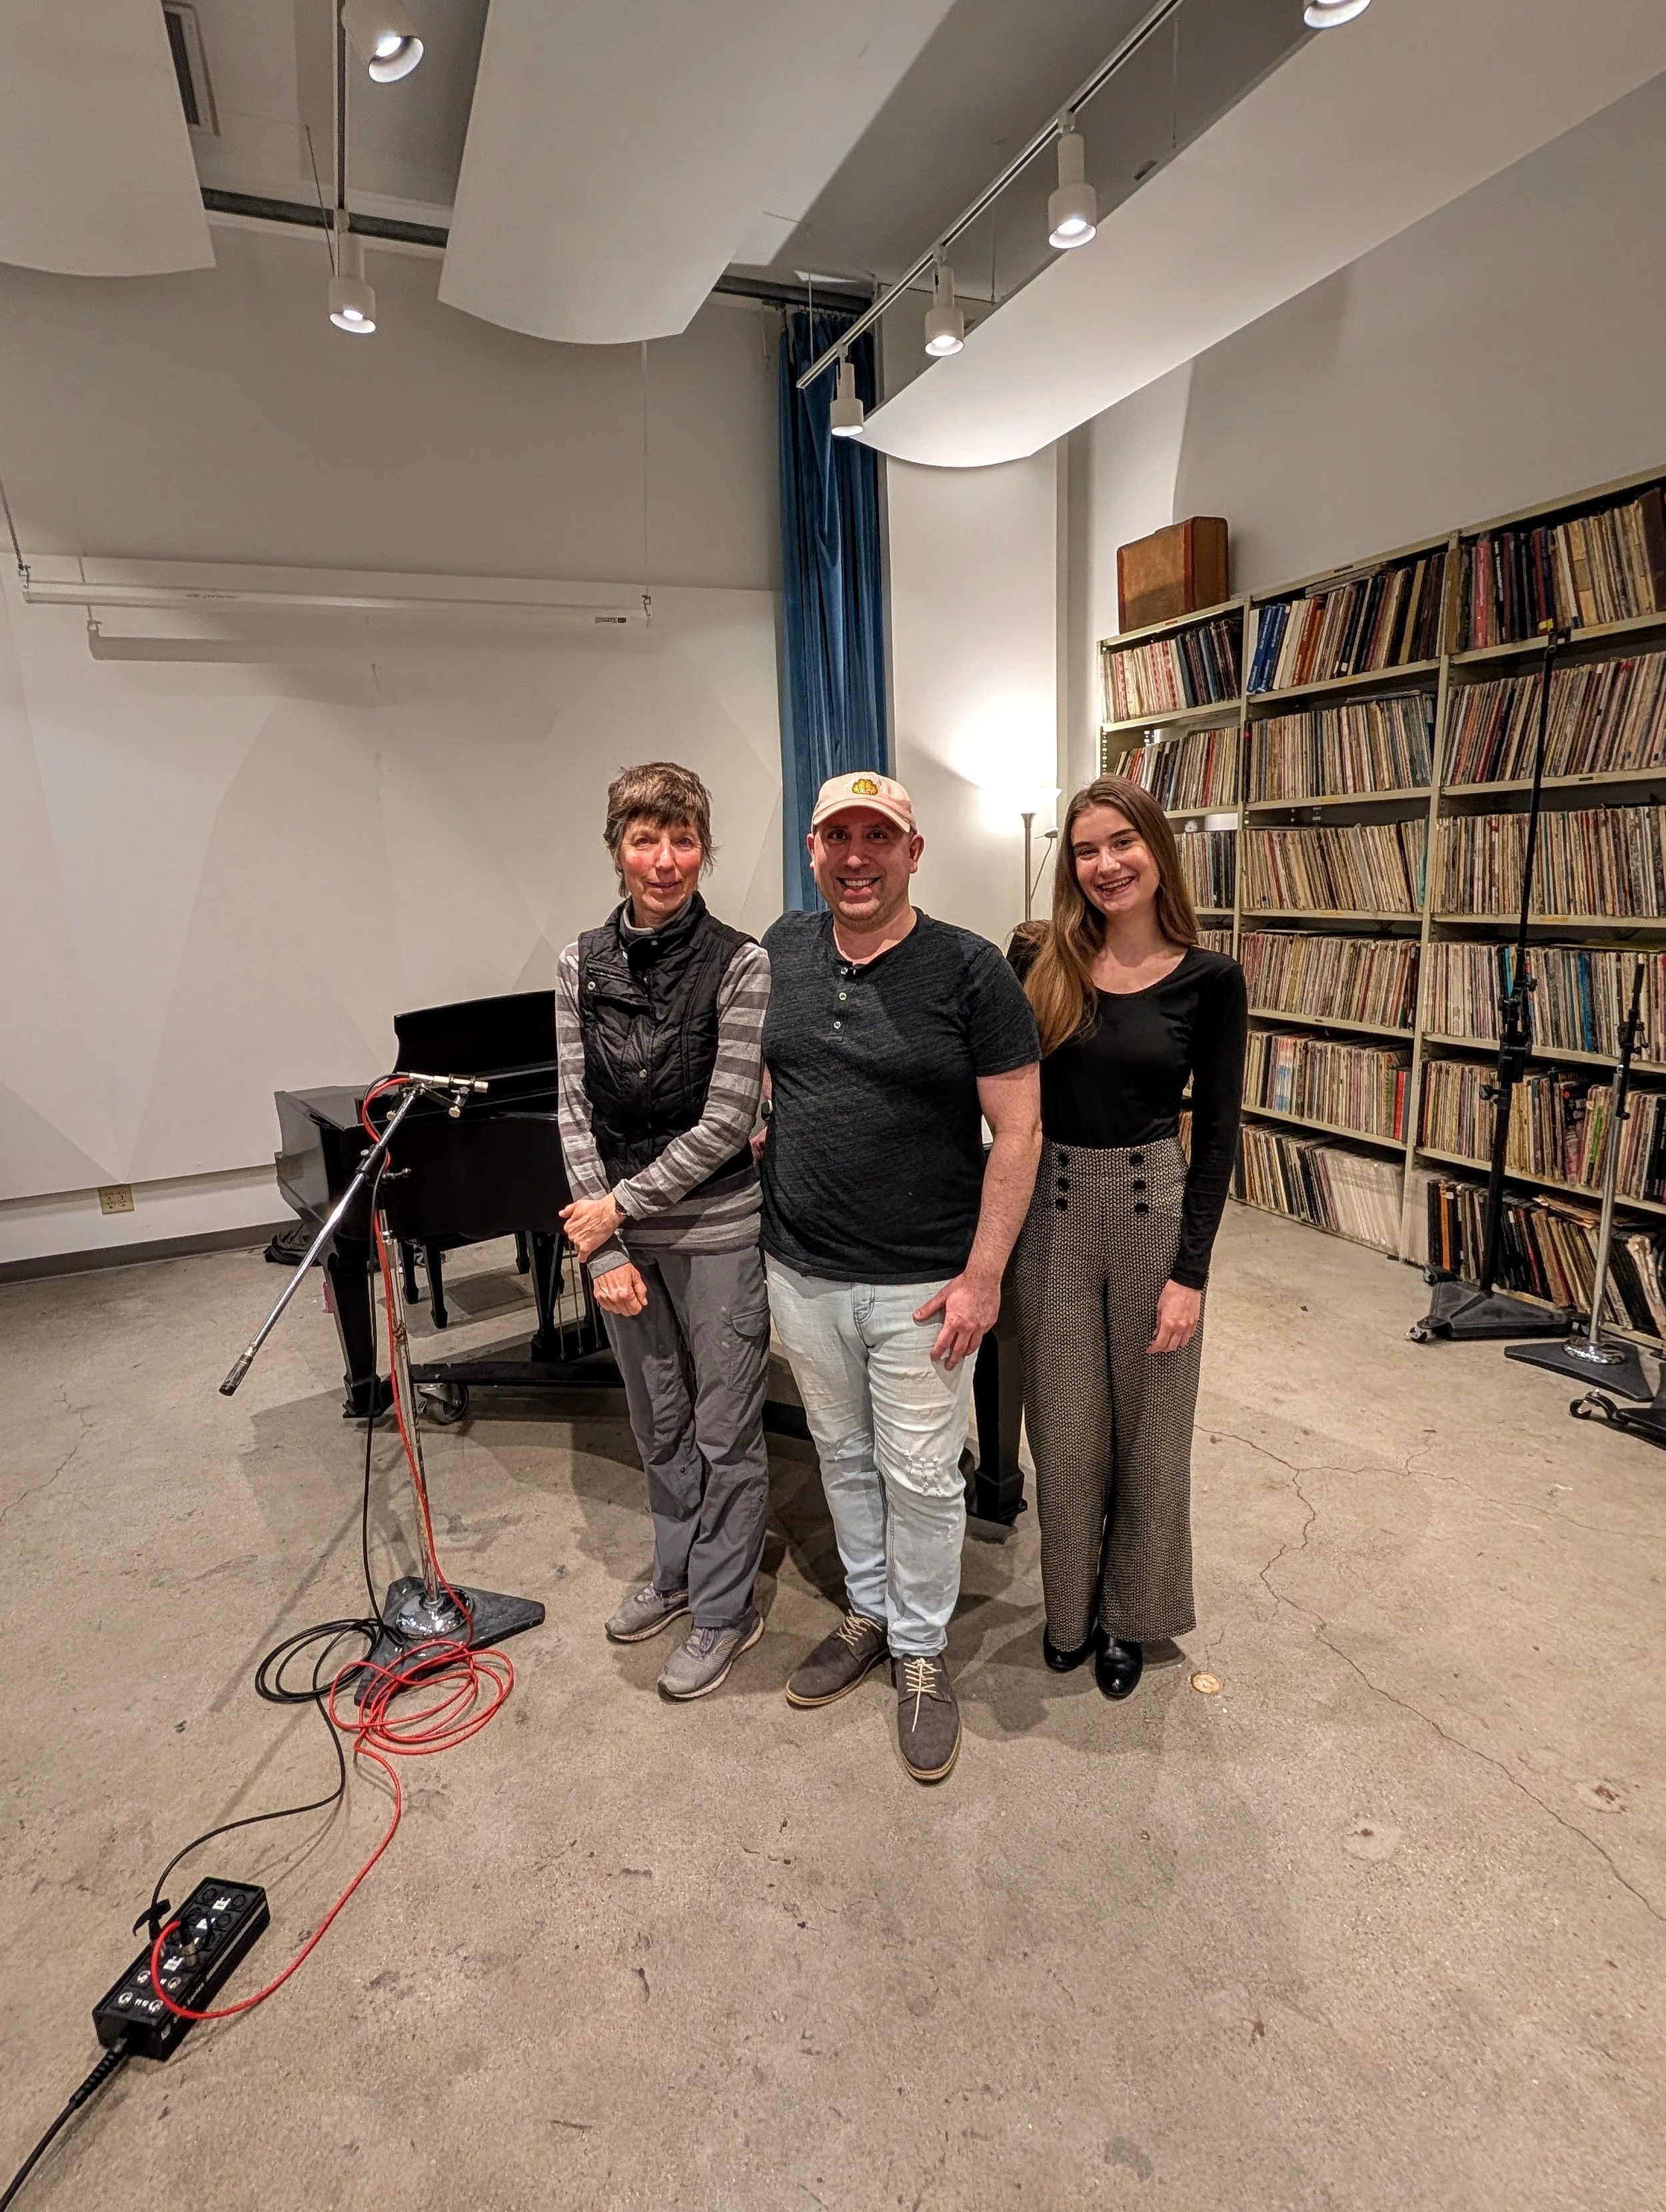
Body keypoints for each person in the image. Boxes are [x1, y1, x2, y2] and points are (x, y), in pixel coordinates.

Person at [759, 771, 1042, 1783]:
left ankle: (921, 1650)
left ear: (914, 852)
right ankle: (870, 1613)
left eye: (881, 837)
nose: (858, 856)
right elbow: (765, 1072)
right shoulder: (784, 947)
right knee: (839, 1453)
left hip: (923, 1280)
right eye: (840, 836)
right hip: (801, 1267)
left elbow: (1018, 1131)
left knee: (920, 1475)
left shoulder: (970, 971)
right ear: (813, 850)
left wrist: (983, 1275)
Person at [1009, 775, 1247, 1702]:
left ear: (1156, 850)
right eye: (1085, 850)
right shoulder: (1043, 960)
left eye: (1122, 844)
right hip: (1052, 1214)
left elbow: (1219, 1136)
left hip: (1154, 1215)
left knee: (1151, 1437)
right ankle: (1068, 1611)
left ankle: (1128, 1618)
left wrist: (1192, 1274)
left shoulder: (1210, 979)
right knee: (1066, 1437)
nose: (1105, 864)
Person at [554, 762, 773, 1701]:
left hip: (716, 1227)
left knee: (726, 1431)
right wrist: (603, 1246)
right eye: (646, 839)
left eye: (683, 840)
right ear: (617, 850)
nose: (666, 859)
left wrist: (616, 1210)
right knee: (657, 1423)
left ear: (704, 849)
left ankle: (726, 1609)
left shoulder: (743, 961)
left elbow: (727, 1121)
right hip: (620, 1240)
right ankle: (677, 1571)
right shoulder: (577, 963)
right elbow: (570, 1108)